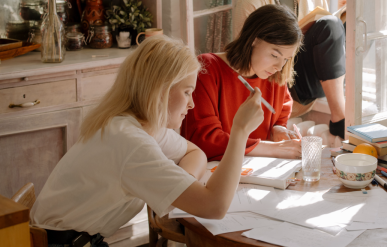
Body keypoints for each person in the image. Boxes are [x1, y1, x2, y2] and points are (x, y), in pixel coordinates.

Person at [31, 36, 264, 247]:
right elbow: (214, 207)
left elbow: (195, 152)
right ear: (160, 90)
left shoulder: (136, 124)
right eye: (186, 92)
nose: (191, 104)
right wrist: (240, 131)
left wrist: (183, 184)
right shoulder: (129, 142)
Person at [232, 0, 347, 141]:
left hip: (315, 79)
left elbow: (324, 40)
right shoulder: (252, 0)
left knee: (352, 14)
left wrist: (341, 15)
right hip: (283, 84)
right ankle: (340, 118)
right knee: (330, 25)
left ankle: (342, 103)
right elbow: (246, 61)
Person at [182, 5, 304, 161]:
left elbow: (281, 111)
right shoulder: (207, 69)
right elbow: (205, 140)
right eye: (274, 55)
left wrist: (278, 128)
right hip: (214, 171)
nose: (279, 66)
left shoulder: (273, 74)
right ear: (253, 40)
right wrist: (274, 149)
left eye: (286, 59)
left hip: (257, 170)